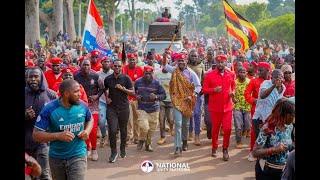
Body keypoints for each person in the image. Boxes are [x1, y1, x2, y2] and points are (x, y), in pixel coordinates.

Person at [33, 79, 93, 180]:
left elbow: (90, 119)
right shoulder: (49, 109)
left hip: (78, 155)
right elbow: (36, 135)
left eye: (80, 90)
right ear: (66, 94)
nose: (80, 94)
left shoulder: (82, 105)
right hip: (56, 158)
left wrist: (87, 131)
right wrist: (58, 135)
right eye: (76, 91)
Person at [162, 53, 201, 156]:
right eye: (179, 61)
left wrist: (193, 95)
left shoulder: (191, 73)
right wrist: (165, 55)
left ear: (186, 62)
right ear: (177, 62)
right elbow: (165, 65)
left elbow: (198, 86)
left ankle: (185, 141)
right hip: (176, 100)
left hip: (187, 101)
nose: (181, 63)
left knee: (186, 124)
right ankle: (177, 147)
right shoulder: (174, 71)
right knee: (178, 124)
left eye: (183, 61)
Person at [202, 54, 235, 161]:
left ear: (226, 63)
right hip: (215, 108)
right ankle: (214, 147)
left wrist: (232, 92)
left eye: (223, 62)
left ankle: (225, 149)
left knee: (228, 129)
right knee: (215, 129)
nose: (221, 64)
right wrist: (213, 90)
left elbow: (233, 86)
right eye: (219, 62)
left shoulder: (230, 74)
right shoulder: (209, 75)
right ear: (216, 63)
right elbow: (204, 90)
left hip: (228, 107)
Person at [25, 67, 57, 179]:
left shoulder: (51, 95)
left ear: (41, 78)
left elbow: (58, 116)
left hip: (43, 141)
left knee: (44, 174)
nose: (33, 79)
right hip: (26, 141)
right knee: (33, 174)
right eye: (30, 77)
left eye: (36, 76)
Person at [253, 98, 295, 180]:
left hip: (284, 172)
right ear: (284, 115)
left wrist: (291, 147)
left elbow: (290, 144)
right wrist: (274, 149)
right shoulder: (267, 128)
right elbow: (255, 152)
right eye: (292, 115)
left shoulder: (290, 127)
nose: (293, 118)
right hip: (267, 172)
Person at [103, 60, 135, 163]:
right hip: (112, 108)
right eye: (115, 66)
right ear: (112, 67)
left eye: (119, 66)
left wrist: (123, 89)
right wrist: (107, 98)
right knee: (112, 130)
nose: (117, 67)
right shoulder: (108, 79)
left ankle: (122, 148)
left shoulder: (126, 78)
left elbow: (133, 92)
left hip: (124, 107)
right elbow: (105, 89)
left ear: (122, 67)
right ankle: (113, 152)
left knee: (123, 130)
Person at [252, 69, 286, 152]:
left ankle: (265, 159)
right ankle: (257, 158)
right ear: (271, 77)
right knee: (259, 141)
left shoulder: (283, 87)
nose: (279, 79)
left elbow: (278, 102)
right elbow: (263, 95)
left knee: (268, 141)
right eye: (276, 77)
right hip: (259, 118)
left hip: (271, 119)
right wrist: (274, 85)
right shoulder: (266, 83)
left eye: (281, 77)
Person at [74, 59, 101, 161]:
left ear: (90, 66)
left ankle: (94, 149)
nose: (86, 67)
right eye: (84, 65)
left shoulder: (95, 76)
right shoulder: (76, 76)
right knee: (83, 128)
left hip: (93, 106)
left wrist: (96, 96)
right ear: (80, 66)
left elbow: (102, 88)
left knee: (93, 129)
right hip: (80, 106)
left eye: (88, 65)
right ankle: (87, 147)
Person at [134, 66, 166, 152]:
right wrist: (137, 96)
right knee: (144, 127)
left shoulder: (157, 83)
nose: (148, 75)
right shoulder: (137, 82)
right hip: (142, 108)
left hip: (154, 109)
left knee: (152, 129)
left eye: (149, 73)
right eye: (146, 73)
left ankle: (148, 144)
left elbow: (163, 95)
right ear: (143, 73)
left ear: (152, 73)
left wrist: (156, 97)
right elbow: (134, 92)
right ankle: (141, 139)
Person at [244, 62, 271, 161]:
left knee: (269, 130)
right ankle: (253, 151)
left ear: (268, 71)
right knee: (255, 131)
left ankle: (266, 151)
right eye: (258, 70)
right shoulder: (253, 81)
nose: (258, 72)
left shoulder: (272, 82)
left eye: (261, 70)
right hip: (256, 110)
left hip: (270, 111)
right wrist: (253, 100)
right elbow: (246, 94)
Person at [122, 53, 144, 144]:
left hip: (137, 98)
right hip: (126, 98)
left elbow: (142, 83)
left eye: (134, 59)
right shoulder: (124, 69)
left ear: (136, 60)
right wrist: (133, 84)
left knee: (137, 118)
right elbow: (123, 82)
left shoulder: (140, 69)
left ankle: (136, 137)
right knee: (128, 119)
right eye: (130, 59)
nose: (132, 61)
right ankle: (128, 136)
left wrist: (131, 84)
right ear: (128, 60)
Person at [187, 49, 205, 146]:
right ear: (189, 56)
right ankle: (190, 131)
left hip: (198, 93)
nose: (193, 57)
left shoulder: (201, 65)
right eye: (192, 56)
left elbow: (204, 78)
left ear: (198, 56)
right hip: (187, 93)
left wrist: (202, 89)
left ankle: (197, 136)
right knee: (190, 113)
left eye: (195, 56)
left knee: (197, 114)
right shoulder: (186, 65)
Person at [154, 64, 174, 145]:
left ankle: (172, 129)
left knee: (170, 119)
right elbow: (154, 85)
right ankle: (162, 137)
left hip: (170, 100)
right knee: (161, 120)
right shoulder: (157, 74)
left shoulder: (172, 74)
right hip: (161, 100)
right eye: (164, 65)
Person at [233, 67, 251, 149]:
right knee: (238, 125)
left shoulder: (249, 82)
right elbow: (231, 92)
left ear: (246, 73)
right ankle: (238, 141)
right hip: (237, 106)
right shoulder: (234, 82)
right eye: (240, 72)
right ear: (237, 73)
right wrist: (233, 99)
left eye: (244, 72)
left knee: (247, 124)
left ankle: (245, 131)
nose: (242, 73)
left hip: (247, 106)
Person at [97, 56, 114, 147]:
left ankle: (111, 139)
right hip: (102, 100)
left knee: (112, 122)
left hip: (113, 101)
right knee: (102, 121)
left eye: (108, 61)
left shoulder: (114, 73)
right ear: (102, 63)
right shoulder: (97, 74)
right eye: (105, 62)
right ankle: (104, 135)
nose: (107, 63)